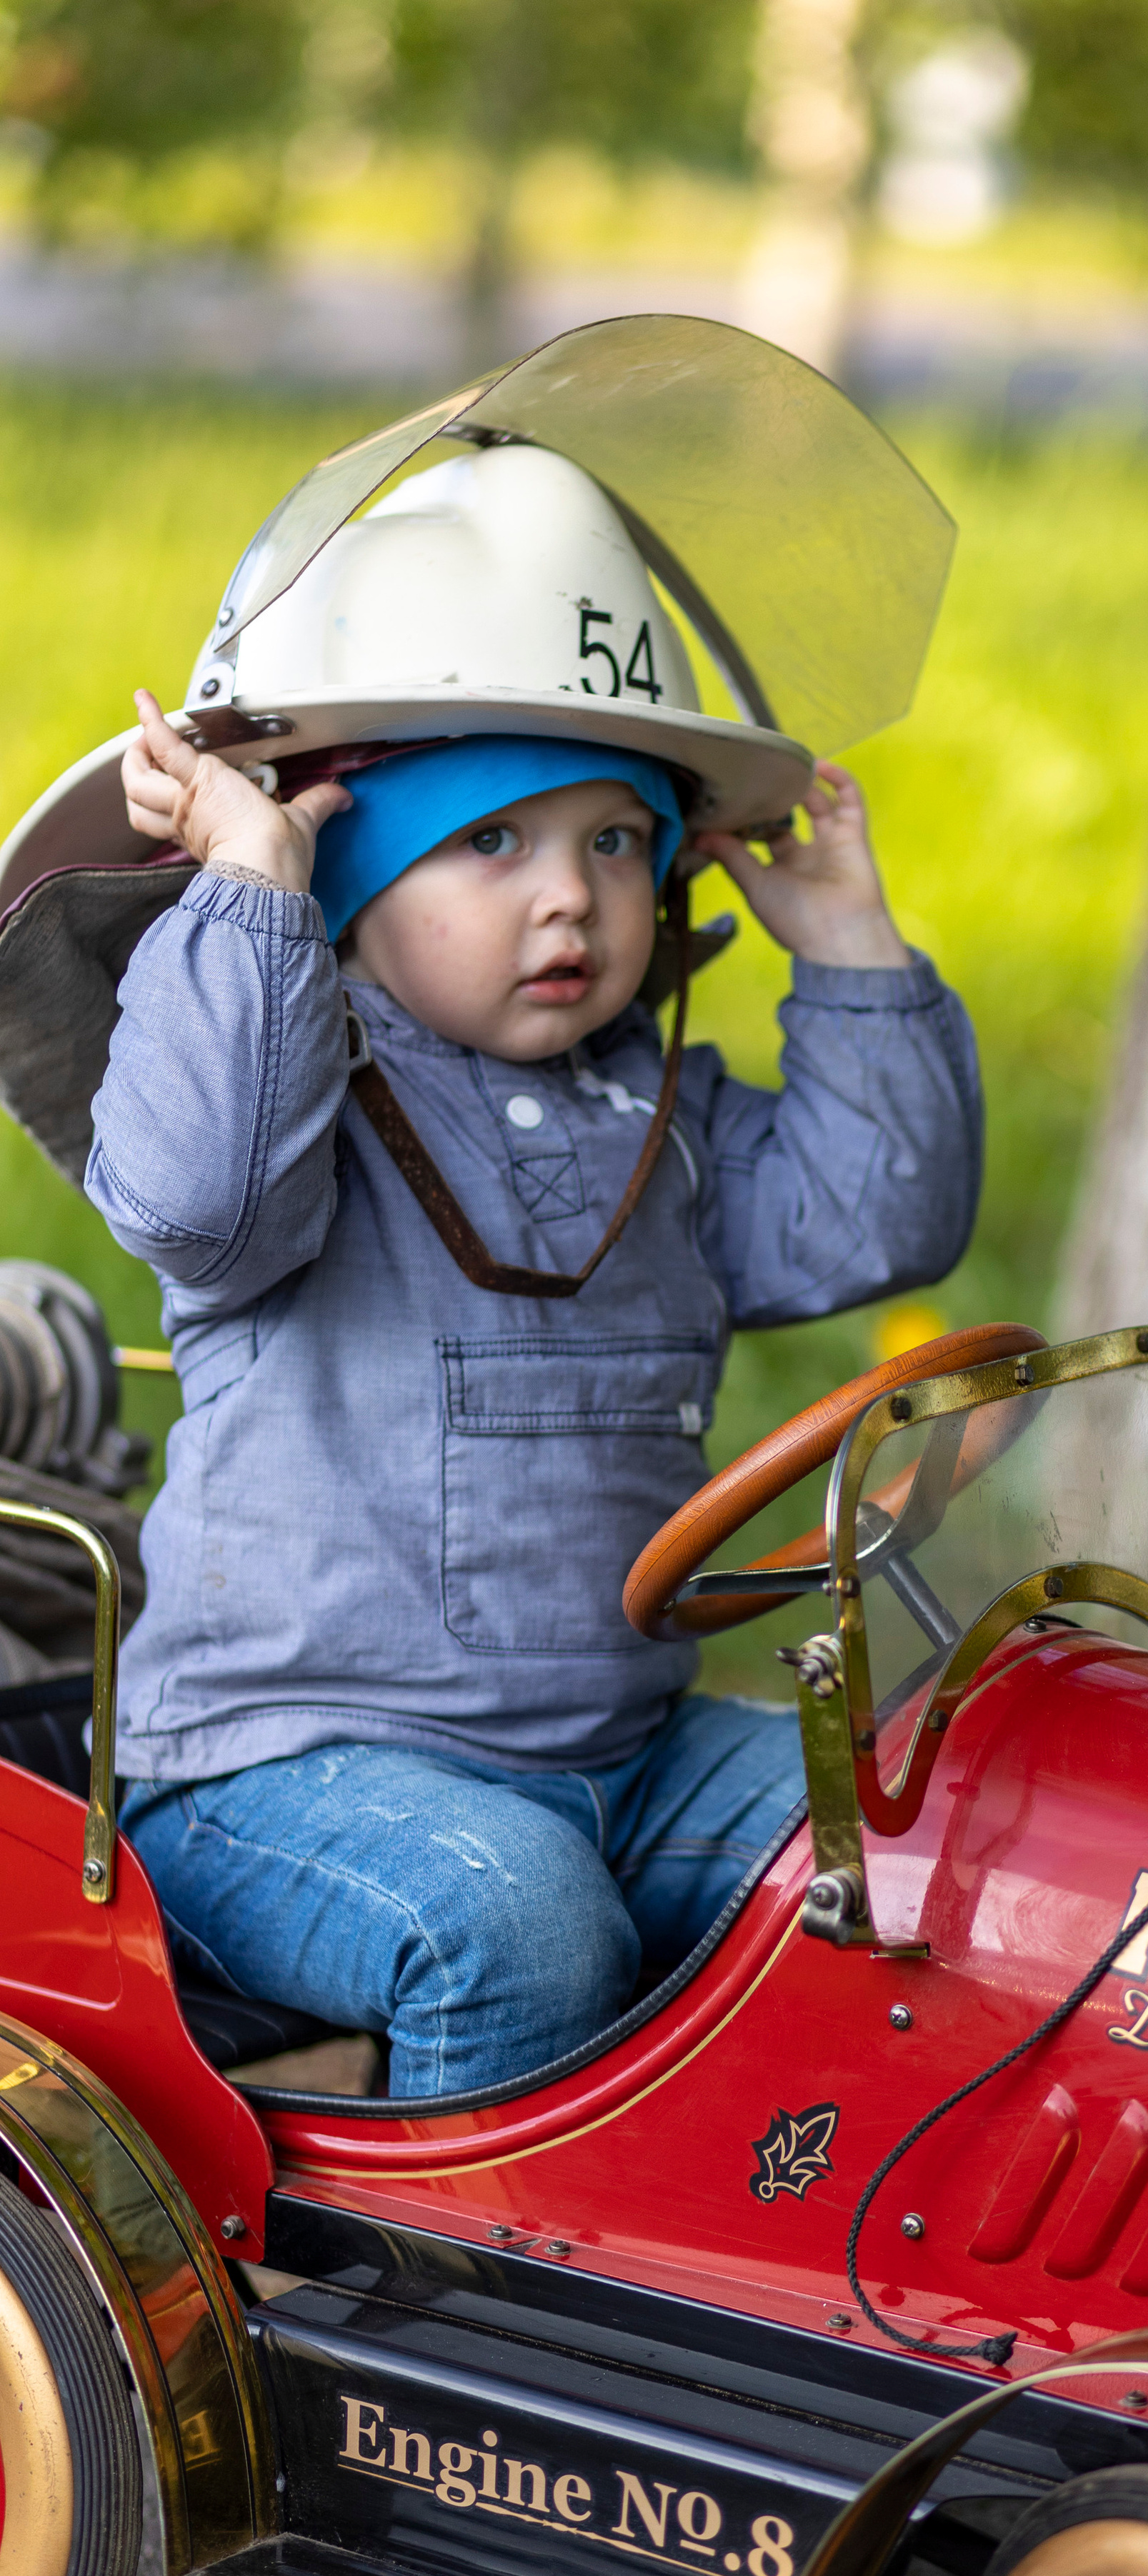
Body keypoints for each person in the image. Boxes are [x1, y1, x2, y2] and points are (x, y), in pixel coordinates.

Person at [66, 426, 981, 2103]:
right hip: (281, 1774)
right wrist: (255, 898)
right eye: (490, 843)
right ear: (345, 861)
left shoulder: (657, 1110)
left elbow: (876, 1220)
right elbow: (195, 1203)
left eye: (615, 843)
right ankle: (476, 2330)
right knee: (512, 1926)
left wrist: (847, 944)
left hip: (614, 1755)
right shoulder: (295, 1079)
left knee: (914, 1842)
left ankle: (782, 2253)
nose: (569, 900)